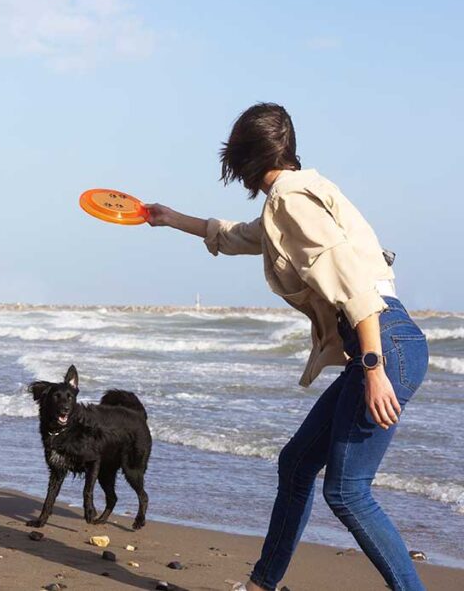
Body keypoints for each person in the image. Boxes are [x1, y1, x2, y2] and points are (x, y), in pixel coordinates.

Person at [145, 103, 429, 591]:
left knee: (348, 492)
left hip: (381, 343)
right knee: (296, 464)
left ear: (245, 159)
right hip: (383, 339)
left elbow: (354, 285)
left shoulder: (291, 202)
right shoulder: (299, 194)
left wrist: (374, 367)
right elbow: (241, 236)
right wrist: (172, 219)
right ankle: (263, 584)